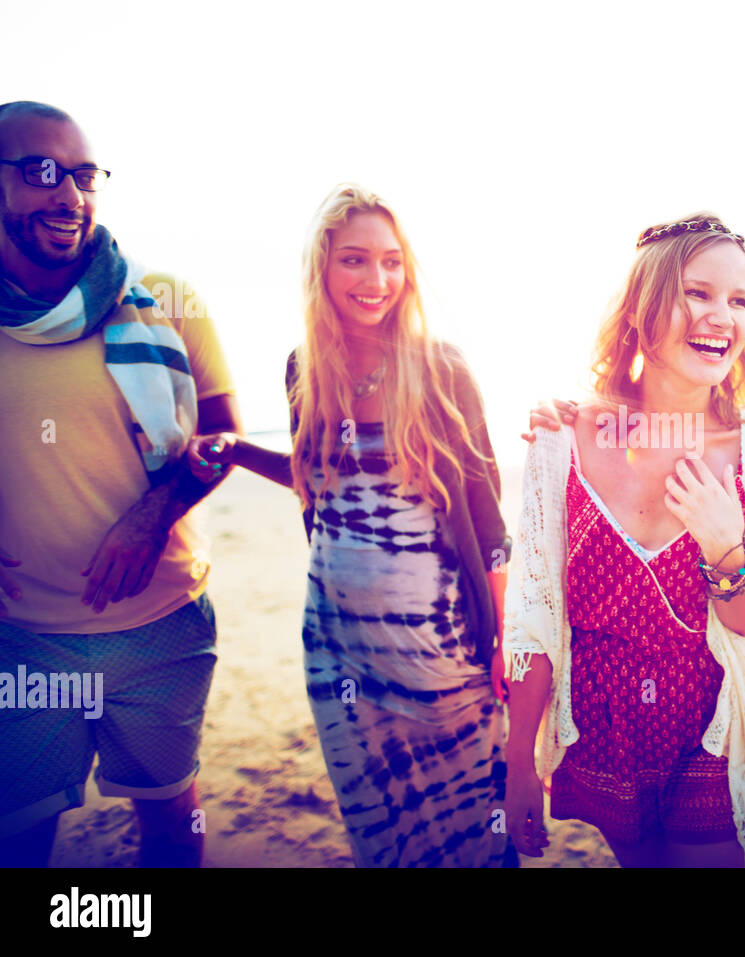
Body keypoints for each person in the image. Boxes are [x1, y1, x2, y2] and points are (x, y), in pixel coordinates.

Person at [187, 184, 515, 867]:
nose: (378, 280)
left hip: (442, 646)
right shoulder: (306, 367)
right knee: (382, 836)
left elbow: (488, 516)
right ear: (322, 268)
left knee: (476, 834)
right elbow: (323, 480)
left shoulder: (443, 368)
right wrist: (239, 451)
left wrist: (501, 637)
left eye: (392, 262)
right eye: (356, 261)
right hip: (336, 645)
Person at [505, 214, 745, 867]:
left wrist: (727, 550)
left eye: (740, 300)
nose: (721, 315)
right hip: (603, 725)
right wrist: (519, 758)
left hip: (716, 725)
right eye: (698, 292)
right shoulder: (562, 441)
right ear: (643, 305)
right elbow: (532, 616)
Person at [0, 101, 239, 867]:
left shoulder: (164, 299)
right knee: (20, 834)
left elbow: (222, 438)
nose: (69, 194)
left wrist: (150, 517)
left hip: (161, 622)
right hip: (23, 641)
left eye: (82, 174)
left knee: (171, 820)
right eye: (42, 172)